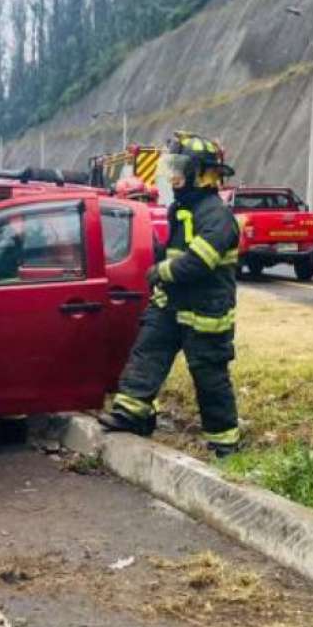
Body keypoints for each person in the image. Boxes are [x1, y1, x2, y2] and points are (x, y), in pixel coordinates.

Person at [98, 133, 244, 457]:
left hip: (206, 313)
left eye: (180, 169)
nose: (173, 176)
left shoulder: (217, 216)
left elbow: (200, 261)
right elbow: (171, 251)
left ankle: (225, 446)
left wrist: (161, 272)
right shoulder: (184, 209)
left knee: (210, 380)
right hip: (174, 303)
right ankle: (131, 414)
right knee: (148, 350)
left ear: (200, 173)